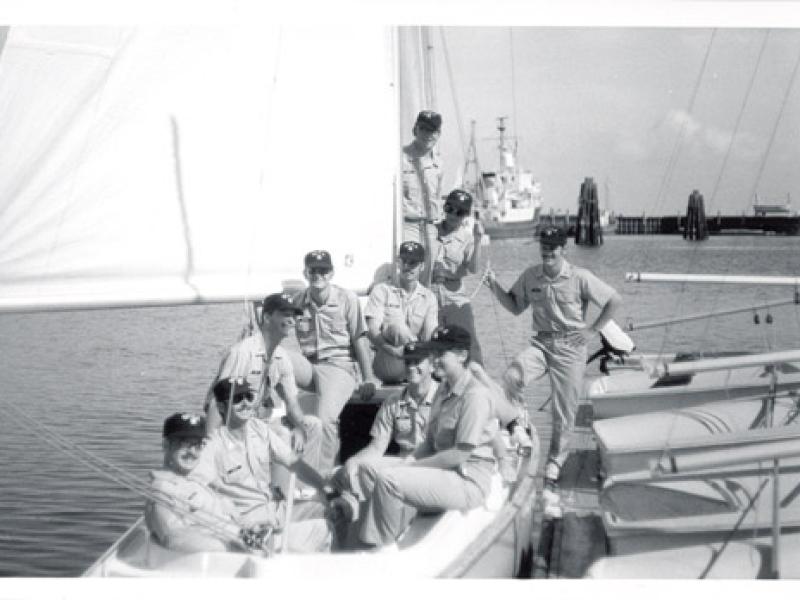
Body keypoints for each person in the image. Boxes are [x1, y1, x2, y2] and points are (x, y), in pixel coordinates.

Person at [483, 225, 622, 490]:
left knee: (563, 412)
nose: (547, 251)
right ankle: (517, 422)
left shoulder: (580, 277)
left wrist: (592, 331)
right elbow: (514, 306)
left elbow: (614, 300)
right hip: (542, 344)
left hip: (571, 348)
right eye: (544, 247)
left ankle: (555, 463)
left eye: (553, 247)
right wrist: (494, 286)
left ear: (563, 249)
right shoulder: (531, 276)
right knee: (512, 375)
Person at [358, 325, 499, 547]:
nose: (434, 359)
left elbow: (458, 455)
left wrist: (409, 468)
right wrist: (409, 461)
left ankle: (380, 550)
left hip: (467, 480)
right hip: (442, 471)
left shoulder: (475, 395)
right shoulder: (444, 389)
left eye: (441, 353)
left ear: (462, 356)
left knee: (388, 479)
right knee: (367, 468)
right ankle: (384, 529)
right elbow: (430, 442)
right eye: (433, 353)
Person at [193, 380, 332, 553]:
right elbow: (196, 489)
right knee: (318, 534)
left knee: (334, 509)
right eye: (237, 398)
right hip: (250, 526)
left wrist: (326, 489)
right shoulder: (213, 446)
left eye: (248, 397)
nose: (245, 403)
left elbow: (294, 463)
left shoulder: (259, 429)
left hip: (274, 512)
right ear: (221, 407)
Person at [205, 292, 323, 477]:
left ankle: (302, 488)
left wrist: (300, 425)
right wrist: (210, 448)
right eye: (285, 315)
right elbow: (215, 403)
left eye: (293, 315)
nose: (292, 320)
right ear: (267, 317)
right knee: (282, 435)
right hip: (234, 424)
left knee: (312, 424)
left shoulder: (281, 357)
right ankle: (276, 492)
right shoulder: (243, 353)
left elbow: (291, 402)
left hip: (258, 420)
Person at [327, 341, 439, 528]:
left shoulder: (443, 398)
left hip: (433, 466)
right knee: (352, 470)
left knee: (380, 476)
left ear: (432, 364)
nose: (412, 367)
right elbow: (377, 446)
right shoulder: (394, 402)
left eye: (418, 361)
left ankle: (377, 524)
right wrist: (352, 463)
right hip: (403, 465)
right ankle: (359, 519)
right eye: (408, 362)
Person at [290, 250, 380, 474]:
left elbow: (359, 339)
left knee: (326, 419)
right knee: (273, 357)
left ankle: (324, 474)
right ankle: (258, 409)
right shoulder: (298, 301)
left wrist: (368, 377)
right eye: (313, 270)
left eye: (323, 270)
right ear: (305, 272)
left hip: (338, 367)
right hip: (310, 366)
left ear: (331, 273)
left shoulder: (346, 299)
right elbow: (284, 333)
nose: (317, 275)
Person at [145, 412, 249, 553]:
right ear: (166, 445)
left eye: (198, 445)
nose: (192, 452)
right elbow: (174, 538)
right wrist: (231, 543)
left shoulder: (192, 481)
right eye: (185, 444)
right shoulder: (162, 492)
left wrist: (245, 531)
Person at [364, 240, 438, 384]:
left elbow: (429, 336)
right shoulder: (381, 290)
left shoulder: (429, 297)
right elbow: (372, 331)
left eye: (412, 263)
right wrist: (393, 351)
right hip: (387, 359)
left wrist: (416, 351)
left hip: (415, 361)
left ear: (422, 266)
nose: (406, 267)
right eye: (403, 261)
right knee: (397, 328)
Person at [430, 189, 485, 364]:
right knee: (432, 348)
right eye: (450, 208)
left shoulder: (467, 238)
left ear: (466, 215)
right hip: (429, 296)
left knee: (468, 347)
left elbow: (474, 269)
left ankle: (480, 386)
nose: (453, 214)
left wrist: (477, 241)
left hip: (455, 298)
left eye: (460, 211)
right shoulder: (431, 230)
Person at [402, 110, 444, 246]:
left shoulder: (438, 164)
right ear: (415, 130)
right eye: (424, 129)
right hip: (408, 226)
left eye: (433, 131)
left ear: (438, 134)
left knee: (430, 266)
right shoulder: (400, 158)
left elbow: (437, 197)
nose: (428, 135)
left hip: (431, 227)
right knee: (411, 264)